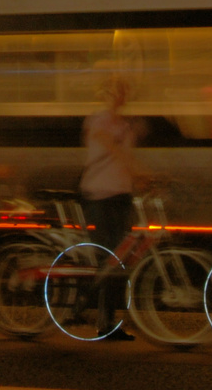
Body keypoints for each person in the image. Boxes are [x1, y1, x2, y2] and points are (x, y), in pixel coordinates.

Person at [79, 75, 141, 342]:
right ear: (105, 93)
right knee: (112, 259)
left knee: (120, 260)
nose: (120, 95)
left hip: (121, 196)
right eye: (115, 90)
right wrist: (139, 169)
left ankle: (104, 316)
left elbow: (125, 155)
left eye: (123, 90)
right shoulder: (100, 119)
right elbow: (111, 147)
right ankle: (100, 319)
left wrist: (141, 177)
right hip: (101, 196)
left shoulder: (124, 125)